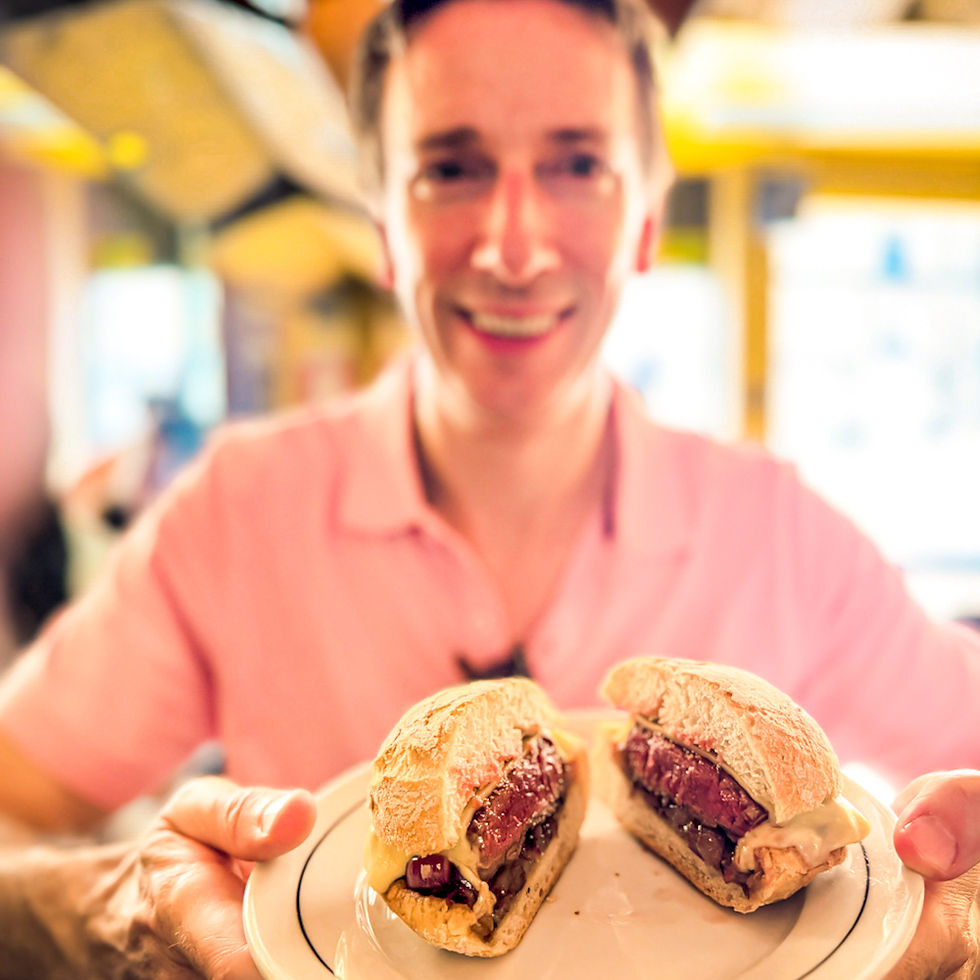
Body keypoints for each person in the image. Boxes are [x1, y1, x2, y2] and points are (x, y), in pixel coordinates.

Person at [0, 0, 979, 976]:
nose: (513, 248)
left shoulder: (784, 532)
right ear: (382, 221)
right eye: (451, 167)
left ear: (644, 215)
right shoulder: (235, 510)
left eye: (577, 164)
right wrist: (118, 902)